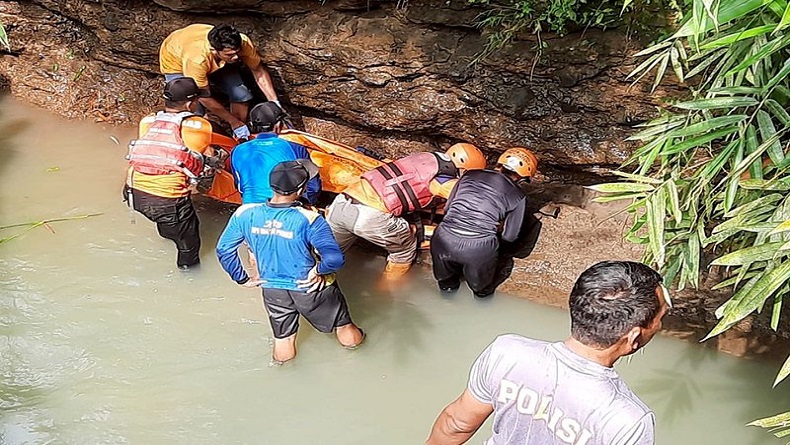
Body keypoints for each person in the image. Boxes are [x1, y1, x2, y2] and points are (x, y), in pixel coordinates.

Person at [425, 260, 671, 445]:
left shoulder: (507, 354)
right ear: (634, 337)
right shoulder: (627, 420)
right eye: (660, 318)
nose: (659, 326)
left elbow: (455, 425)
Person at [216, 160, 365, 364]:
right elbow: (334, 259)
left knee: (283, 339)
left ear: (271, 185)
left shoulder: (245, 213)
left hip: (272, 288)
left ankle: (282, 372)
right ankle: (358, 353)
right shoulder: (310, 218)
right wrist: (319, 271)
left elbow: (224, 249)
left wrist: (241, 278)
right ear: (301, 189)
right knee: (344, 326)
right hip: (309, 286)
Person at [325, 143, 487, 279]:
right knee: (404, 251)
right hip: (371, 216)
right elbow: (472, 201)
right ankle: (387, 293)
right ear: (464, 170)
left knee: (327, 254)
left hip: (341, 203)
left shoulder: (423, 157)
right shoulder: (443, 178)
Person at [125, 77, 214, 270]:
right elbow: (202, 157)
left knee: (166, 219)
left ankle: (168, 233)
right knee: (189, 244)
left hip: (133, 193)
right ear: (191, 104)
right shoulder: (200, 126)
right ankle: (189, 275)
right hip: (167, 200)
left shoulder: (147, 121)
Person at [430, 147, 537, 298]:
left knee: (446, 285)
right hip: (478, 248)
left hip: (442, 238)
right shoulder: (519, 195)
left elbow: (447, 209)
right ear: (523, 178)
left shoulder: (469, 174)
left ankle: (447, 294)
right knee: (481, 291)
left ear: (499, 164)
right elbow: (510, 237)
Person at [159, 23, 280, 141]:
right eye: (230, 54)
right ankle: (198, 143)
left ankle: (238, 137)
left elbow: (258, 71)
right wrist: (232, 120)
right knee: (194, 110)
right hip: (175, 59)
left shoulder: (242, 42)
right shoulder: (196, 59)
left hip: (211, 57)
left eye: (237, 52)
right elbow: (203, 96)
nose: (237, 57)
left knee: (241, 94)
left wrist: (275, 104)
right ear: (214, 50)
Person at [231, 101, 320, 205]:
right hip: (285, 207)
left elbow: (239, 185)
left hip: (249, 207)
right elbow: (313, 186)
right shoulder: (294, 147)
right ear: (278, 125)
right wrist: (309, 204)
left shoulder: (237, 150)